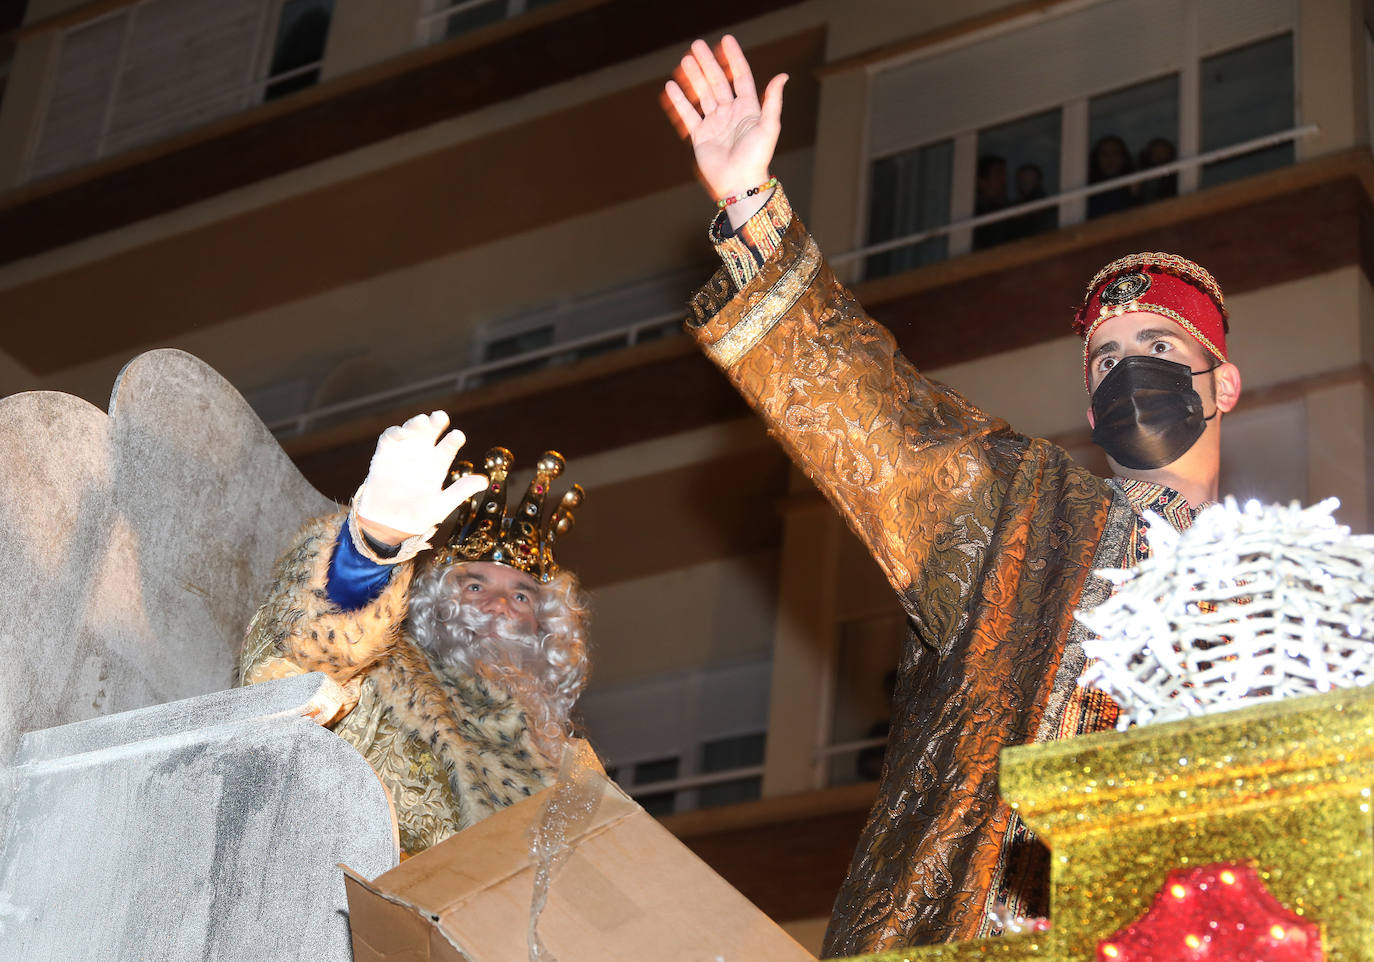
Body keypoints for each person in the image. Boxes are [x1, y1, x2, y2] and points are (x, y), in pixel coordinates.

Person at [663, 36, 1242, 953]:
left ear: (1225, 385)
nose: (1131, 369)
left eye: (1161, 350)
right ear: (1091, 405)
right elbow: (867, 409)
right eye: (1107, 359)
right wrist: (749, 203)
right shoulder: (1019, 514)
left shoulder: (1282, 598)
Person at [239, 412, 590, 856]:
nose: (498, 606)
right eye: (475, 586)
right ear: (434, 603)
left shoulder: (574, 772)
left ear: (547, 629)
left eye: (521, 597)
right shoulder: (383, 669)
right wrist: (373, 547)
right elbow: (298, 660)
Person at [1087, 134, 1137, 218]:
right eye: (1104, 154)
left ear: (1124, 158)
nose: (1110, 158)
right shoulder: (1087, 188)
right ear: (1096, 159)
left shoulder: (1134, 184)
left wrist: (1135, 196)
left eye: (1115, 153)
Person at [972, 154, 1009, 249]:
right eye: (998, 174)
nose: (1003, 179)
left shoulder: (1009, 210)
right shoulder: (977, 214)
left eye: (1004, 174)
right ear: (981, 181)